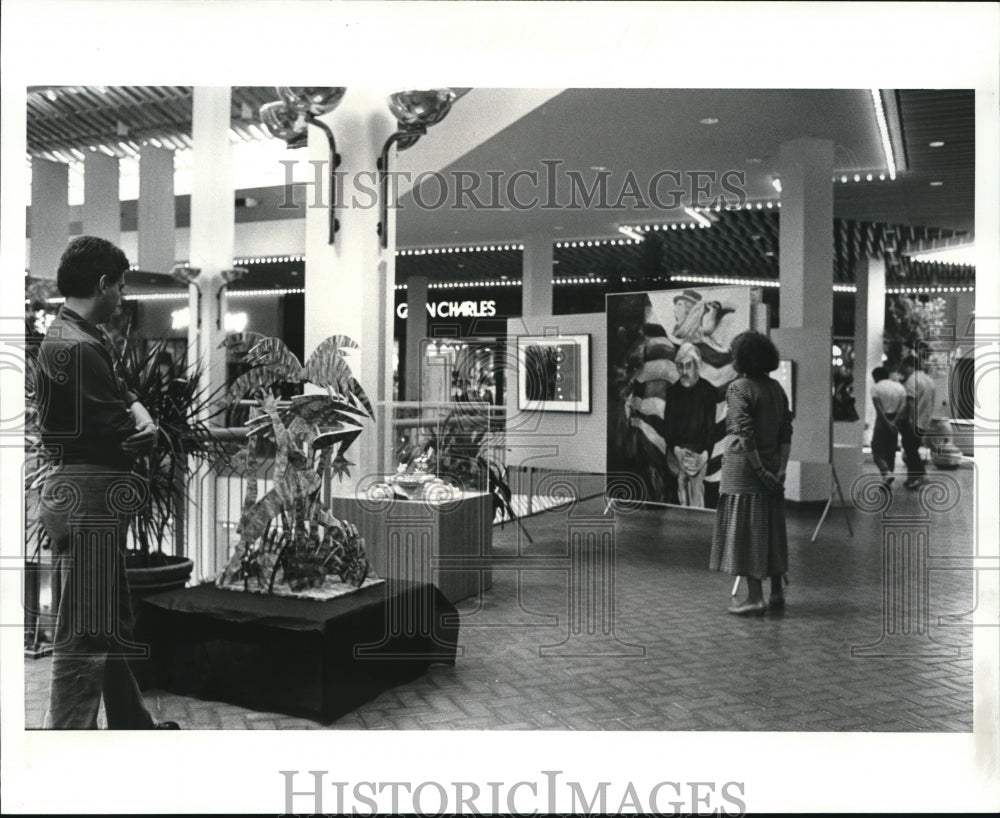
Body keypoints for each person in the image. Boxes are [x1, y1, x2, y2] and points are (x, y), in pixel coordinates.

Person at [35, 236, 178, 729]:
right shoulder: (75, 347)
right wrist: (140, 433)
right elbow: (118, 434)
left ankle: (131, 726)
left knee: (107, 620)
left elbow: (121, 391)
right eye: (119, 286)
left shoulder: (80, 336)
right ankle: (66, 749)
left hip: (84, 493)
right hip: (88, 496)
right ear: (102, 284)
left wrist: (138, 412)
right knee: (84, 633)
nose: (121, 295)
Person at [709, 331, 792, 616]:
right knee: (771, 531)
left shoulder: (739, 388)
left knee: (746, 533)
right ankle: (777, 593)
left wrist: (758, 470)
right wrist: (778, 471)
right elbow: (785, 433)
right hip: (772, 468)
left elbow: (743, 434)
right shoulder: (776, 389)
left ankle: (755, 597)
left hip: (744, 473)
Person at [664, 343, 717, 507]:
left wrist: (703, 457)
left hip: (701, 454)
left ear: (698, 365)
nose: (684, 372)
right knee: (680, 482)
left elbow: (711, 432)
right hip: (677, 452)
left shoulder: (709, 392)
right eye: (680, 366)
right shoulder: (672, 393)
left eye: (688, 366)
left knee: (695, 487)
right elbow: (668, 430)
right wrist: (677, 451)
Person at [897, 353, 937, 489]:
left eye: (903, 367)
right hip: (924, 421)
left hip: (913, 422)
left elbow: (911, 403)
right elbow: (932, 402)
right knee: (911, 449)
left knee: (910, 451)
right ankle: (912, 479)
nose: (902, 370)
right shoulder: (929, 380)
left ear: (909, 366)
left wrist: (911, 421)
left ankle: (920, 476)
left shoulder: (912, 380)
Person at [870, 366, 906, 486]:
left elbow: (878, 407)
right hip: (896, 420)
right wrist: (894, 421)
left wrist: (886, 421)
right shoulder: (899, 387)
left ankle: (885, 472)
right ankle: (887, 480)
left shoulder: (876, 387)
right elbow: (903, 406)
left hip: (882, 420)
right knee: (891, 451)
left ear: (876, 376)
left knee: (877, 449)